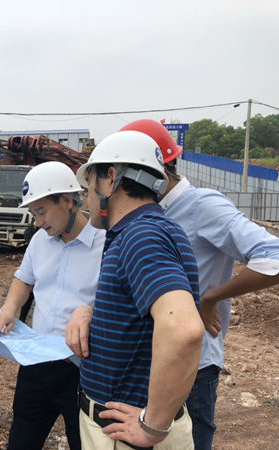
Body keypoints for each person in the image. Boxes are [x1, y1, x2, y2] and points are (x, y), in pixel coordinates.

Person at [120, 119, 279, 450]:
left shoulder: (201, 206)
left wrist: (209, 298)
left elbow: (273, 257)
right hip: (146, 358)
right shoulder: (142, 213)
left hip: (191, 365)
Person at [74, 131, 205, 450]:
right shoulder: (147, 230)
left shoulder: (141, 235)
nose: (86, 196)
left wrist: (152, 427)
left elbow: (184, 329)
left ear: (110, 179)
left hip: (127, 438)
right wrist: (91, 312)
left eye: (88, 185)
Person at [0, 161, 106, 450]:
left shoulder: (105, 244)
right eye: (33, 213)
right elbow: (23, 279)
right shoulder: (40, 240)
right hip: (36, 363)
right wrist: (9, 309)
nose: (37, 222)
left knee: (84, 442)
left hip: (82, 369)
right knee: (22, 440)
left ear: (67, 202)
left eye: (41, 212)